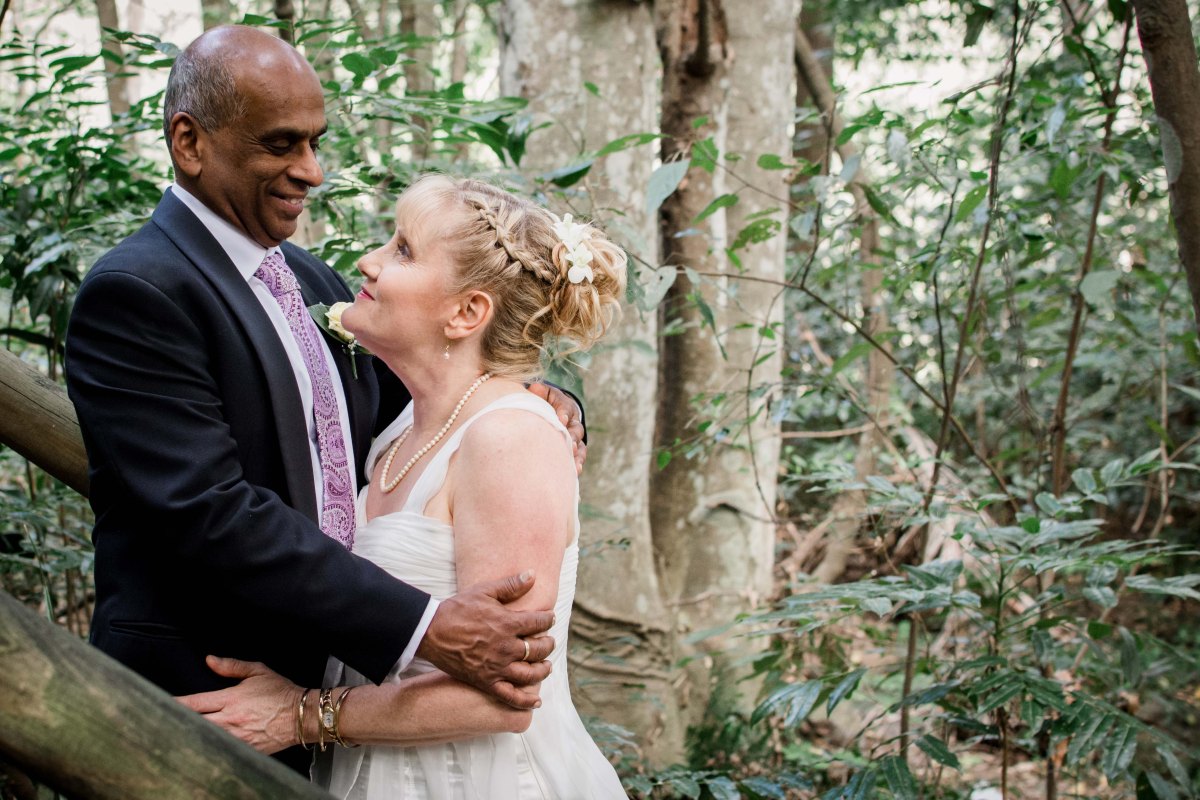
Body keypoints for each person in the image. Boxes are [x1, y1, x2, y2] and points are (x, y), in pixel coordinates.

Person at [63, 25, 584, 775]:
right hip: (200, 697)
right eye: (281, 144)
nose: (311, 170)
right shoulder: (139, 290)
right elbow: (208, 510)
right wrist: (427, 627)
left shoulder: (311, 281)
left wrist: (536, 400)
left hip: (333, 715)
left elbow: (424, 415)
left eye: (315, 142)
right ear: (190, 142)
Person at [178, 174, 629, 799]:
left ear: (467, 313)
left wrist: (301, 713)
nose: (369, 262)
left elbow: (501, 700)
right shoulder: (397, 433)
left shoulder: (510, 438)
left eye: (404, 250)